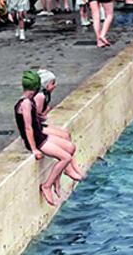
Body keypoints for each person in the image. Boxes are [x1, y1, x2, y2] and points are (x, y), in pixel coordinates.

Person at [15, 70, 83, 206]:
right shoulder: (26, 104)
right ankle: (47, 185)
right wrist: (34, 149)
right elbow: (28, 128)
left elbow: (35, 121)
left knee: (70, 147)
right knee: (66, 157)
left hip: (40, 135)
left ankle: (57, 179)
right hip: (38, 141)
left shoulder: (28, 101)